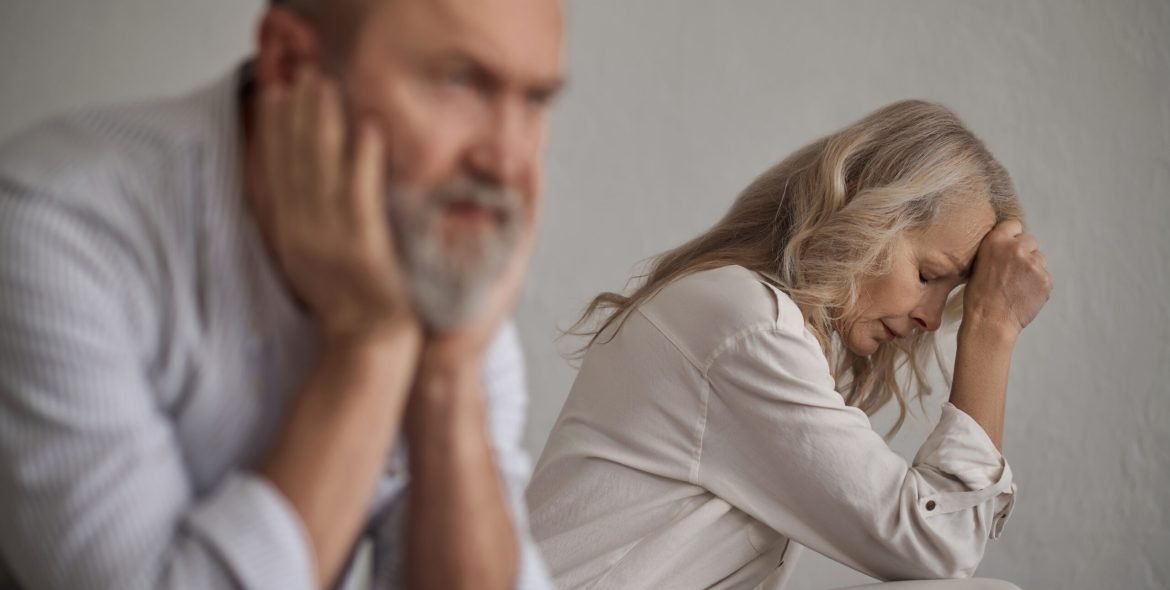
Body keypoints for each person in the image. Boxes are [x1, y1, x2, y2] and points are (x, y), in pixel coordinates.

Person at [0, 0, 565, 589]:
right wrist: (370, 341)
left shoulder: (431, 247)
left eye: (535, 100)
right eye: (458, 82)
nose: (506, 160)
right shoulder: (55, 229)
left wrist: (448, 374)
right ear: (291, 63)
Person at [527, 100, 1052, 589]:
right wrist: (992, 328)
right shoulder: (744, 325)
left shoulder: (737, 312)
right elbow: (938, 543)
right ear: (865, 217)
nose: (932, 318)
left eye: (951, 295)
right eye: (926, 274)